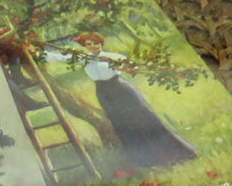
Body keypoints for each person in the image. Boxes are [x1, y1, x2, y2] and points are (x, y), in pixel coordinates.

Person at [66, 32, 197, 167]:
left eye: (96, 43)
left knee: (144, 118)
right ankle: (147, 161)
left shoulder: (113, 56)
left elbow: (133, 67)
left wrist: (116, 63)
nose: (93, 46)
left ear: (101, 42)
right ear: (85, 46)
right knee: (122, 125)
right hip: (104, 94)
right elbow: (58, 57)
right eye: (89, 44)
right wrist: (42, 50)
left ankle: (177, 154)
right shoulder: (84, 58)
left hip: (121, 89)